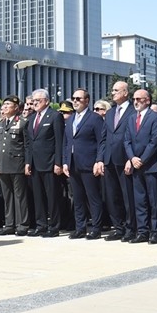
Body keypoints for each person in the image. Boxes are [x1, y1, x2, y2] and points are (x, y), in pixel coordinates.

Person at [63, 88, 107, 239]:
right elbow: (66, 143)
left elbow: (102, 141)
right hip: (73, 164)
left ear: (87, 101)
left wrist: (99, 160)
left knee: (92, 197)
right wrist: (65, 162)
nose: (75, 101)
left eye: (78, 99)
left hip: (89, 163)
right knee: (78, 197)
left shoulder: (94, 118)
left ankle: (96, 227)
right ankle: (80, 227)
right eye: (73, 98)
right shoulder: (70, 120)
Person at [124, 88, 157, 243]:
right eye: (134, 99)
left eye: (139, 99)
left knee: (153, 201)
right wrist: (132, 158)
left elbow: (154, 142)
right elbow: (126, 140)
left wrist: (141, 159)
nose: (135, 102)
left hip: (150, 166)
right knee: (139, 200)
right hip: (136, 165)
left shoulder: (155, 117)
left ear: (147, 100)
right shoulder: (132, 118)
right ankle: (142, 231)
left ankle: (155, 231)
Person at [25, 89, 66, 238]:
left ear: (47, 101)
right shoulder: (31, 118)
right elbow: (29, 143)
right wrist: (28, 162)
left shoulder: (55, 116)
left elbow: (59, 141)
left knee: (52, 196)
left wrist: (58, 162)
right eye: (33, 100)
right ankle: (41, 225)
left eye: (38, 100)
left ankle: (54, 227)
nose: (35, 103)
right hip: (35, 164)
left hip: (50, 163)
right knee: (38, 196)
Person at [102, 80, 136, 241]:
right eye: (112, 90)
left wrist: (131, 157)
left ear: (125, 93)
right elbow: (104, 138)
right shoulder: (110, 113)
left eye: (116, 90)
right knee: (112, 195)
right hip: (109, 159)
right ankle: (119, 227)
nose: (113, 92)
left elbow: (135, 137)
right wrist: (100, 159)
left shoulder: (133, 110)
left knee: (127, 196)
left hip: (125, 159)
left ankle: (131, 227)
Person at [0, 96, 30, 236]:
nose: (5, 106)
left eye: (9, 104)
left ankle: (22, 224)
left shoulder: (22, 122)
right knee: (7, 196)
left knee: (20, 196)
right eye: (5, 104)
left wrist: (27, 163)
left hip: (17, 163)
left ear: (16, 107)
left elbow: (27, 145)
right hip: (3, 164)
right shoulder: (0, 124)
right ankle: (9, 224)